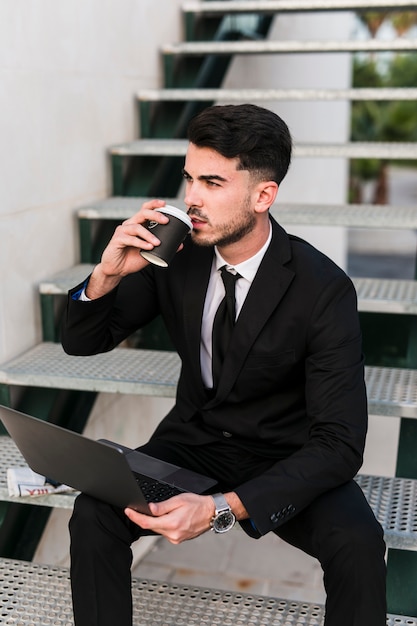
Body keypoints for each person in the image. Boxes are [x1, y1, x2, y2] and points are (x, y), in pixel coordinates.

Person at [62, 103, 387, 626]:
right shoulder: (177, 256)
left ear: (263, 195)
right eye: (189, 178)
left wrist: (219, 508)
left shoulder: (323, 289)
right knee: (94, 511)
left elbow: (341, 443)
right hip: (193, 441)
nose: (191, 198)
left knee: (358, 544)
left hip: (282, 453)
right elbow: (82, 342)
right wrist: (106, 272)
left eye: (212, 182)